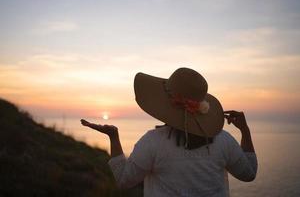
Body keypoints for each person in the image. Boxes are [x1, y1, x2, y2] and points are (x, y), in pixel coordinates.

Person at [81, 68, 257, 197]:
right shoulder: (224, 141)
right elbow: (249, 174)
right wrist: (245, 131)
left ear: (165, 102)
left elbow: (123, 180)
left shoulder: (153, 142)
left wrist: (114, 137)